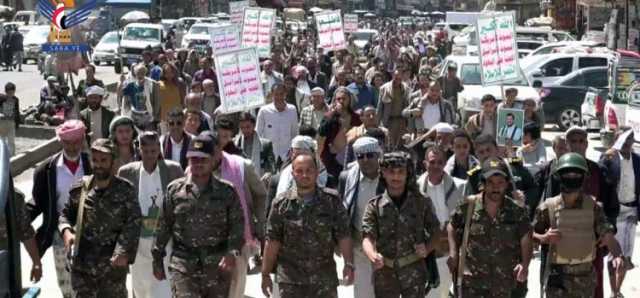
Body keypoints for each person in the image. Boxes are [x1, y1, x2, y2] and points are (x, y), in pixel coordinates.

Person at [152, 134, 244, 297]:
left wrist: (232, 253)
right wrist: (157, 258)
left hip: (216, 266)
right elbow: (163, 226)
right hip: (183, 265)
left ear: (213, 160)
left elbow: (237, 225)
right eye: (194, 159)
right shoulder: (174, 191)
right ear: (188, 160)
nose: (198, 163)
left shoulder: (227, 191)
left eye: (203, 159)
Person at [533, 153, 625, 298]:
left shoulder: (593, 207)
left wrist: (617, 256)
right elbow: (529, 235)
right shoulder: (548, 207)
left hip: (585, 282)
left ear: (584, 177)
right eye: (567, 174)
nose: (572, 177)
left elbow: (608, 235)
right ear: (559, 176)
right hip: (557, 282)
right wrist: (544, 238)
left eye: (576, 174)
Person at [261, 154, 354, 298]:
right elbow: (272, 241)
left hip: (324, 281)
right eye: (299, 171)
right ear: (292, 174)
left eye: (309, 170)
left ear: (317, 172)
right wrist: (265, 274)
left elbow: (344, 235)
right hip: (290, 281)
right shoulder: (281, 204)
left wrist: (349, 264)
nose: (304, 175)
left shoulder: (332, 201)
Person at [59, 138, 142, 297]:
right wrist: (67, 232)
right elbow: (64, 215)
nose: (98, 165)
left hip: (111, 272)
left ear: (113, 161)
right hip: (83, 271)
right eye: (95, 160)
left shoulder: (126, 190)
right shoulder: (80, 189)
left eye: (104, 160)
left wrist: (123, 251)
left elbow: (134, 222)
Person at [448, 157, 532, 297]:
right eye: (490, 182)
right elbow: (452, 225)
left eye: (500, 183)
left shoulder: (517, 211)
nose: (495, 187)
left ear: (507, 184)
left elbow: (526, 237)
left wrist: (525, 264)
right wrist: (453, 253)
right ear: (483, 184)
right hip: (473, 285)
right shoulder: (468, 206)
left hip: (505, 285)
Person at [362, 151, 440, 298]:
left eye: (400, 172)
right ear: (384, 173)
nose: (396, 177)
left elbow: (436, 232)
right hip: (385, 273)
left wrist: (427, 248)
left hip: (414, 272)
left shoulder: (421, 202)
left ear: (407, 174)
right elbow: (367, 237)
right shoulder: (374, 206)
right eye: (391, 172)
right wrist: (372, 255)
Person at [27, 120, 91, 298]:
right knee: (68, 287)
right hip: (59, 236)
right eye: (68, 142)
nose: (72, 147)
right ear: (61, 142)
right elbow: (37, 203)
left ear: (83, 140)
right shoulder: (46, 170)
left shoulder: (93, 164)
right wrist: (15, 219)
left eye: (77, 142)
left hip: (91, 234)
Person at [116, 131, 184, 298]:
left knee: (163, 289)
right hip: (139, 244)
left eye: (153, 151)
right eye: (145, 151)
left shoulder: (173, 170)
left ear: (159, 150)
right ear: (139, 150)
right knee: (141, 290)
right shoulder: (127, 172)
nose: (150, 155)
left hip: (164, 243)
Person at [338, 137, 383, 298]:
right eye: (360, 156)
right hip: (359, 246)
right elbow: (341, 215)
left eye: (370, 155)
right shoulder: (347, 178)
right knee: (363, 293)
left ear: (378, 155)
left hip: (387, 246)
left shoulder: (391, 177)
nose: (365, 160)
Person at [418, 147, 464, 298]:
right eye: (432, 162)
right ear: (425, 164)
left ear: (445, 164)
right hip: (427, 252)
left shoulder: (459, 186)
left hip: (450, 251)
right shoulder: (416, 188)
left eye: (440, 162)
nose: (436, 166)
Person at [600, 129, 638, 296]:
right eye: (624, 138)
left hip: (631, 212)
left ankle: (618, 290)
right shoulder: (609, 159)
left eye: (630, 138)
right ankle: (613, 291)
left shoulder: (637, 160)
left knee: (627, 258)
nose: (628, 141)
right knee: (615, 256)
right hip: (614, 214)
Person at [463, 134, 538, 211]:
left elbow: (534, 188)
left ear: (496, 149)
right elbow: (469, 203)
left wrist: (524, 199)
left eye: (489, 150)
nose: (486, 155)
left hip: (515, 216)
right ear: (476, 154)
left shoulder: (514, 167)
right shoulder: (474, 176)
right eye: (481, 152)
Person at [256, 84, 299, 164]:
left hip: (287, 156)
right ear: (272, 94)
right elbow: (258, 134)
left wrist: (293, 151)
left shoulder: (292, 110)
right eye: (276, 94)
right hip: (269, 157)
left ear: (285, 94)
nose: (279, 97)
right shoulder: (264, 111)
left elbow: (295, 133)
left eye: (281, 94)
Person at [234, 112, 276, 178]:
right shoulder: (235, 144)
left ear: (253, 126)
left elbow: (272, 166)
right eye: (242, 127)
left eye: (248, 127)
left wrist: (269, 173)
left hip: (260, 181)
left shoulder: (265, 144)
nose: (245, 130)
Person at [377, 68, 411, 149]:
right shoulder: (384, 88)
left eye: (400, 78)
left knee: (401, 146)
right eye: (396, 78)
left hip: (401, 122)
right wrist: (377, 124)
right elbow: (379, 108)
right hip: (389, 122)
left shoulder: (406, 89)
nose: (398, 80)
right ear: (393, 76)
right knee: (388, 145)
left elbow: (409, 106)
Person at [120, 64, 160, 130]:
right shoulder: (130, 85)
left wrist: (154, 116)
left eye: (142, 73)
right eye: (138, 73)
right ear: (135, 73)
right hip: (134, 115)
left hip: (148, 115)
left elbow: (157, 102)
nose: (140, 75)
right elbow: (122, 95)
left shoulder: (152, 84)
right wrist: (122, 82)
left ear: (145, 73)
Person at [158, 63, 187, 133]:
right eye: (166, 72)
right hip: (164, 117)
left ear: (174, 72)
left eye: (171, 72)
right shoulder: (159, 84)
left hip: (178, 116)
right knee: (165, 137)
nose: (169, 74)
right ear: (163, 73)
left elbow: (183, 99)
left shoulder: (180, 83)